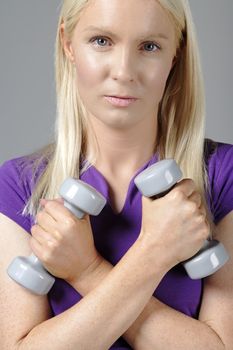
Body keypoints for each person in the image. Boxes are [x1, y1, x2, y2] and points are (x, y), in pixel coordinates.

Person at [0, 0, 233, 349]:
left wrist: (87, 271)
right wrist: (153, 252)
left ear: (175, 55)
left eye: (149, 46)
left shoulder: (222, 174)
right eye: (102, 41)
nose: (124, 71)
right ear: (68, 44)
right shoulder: (19, 185)